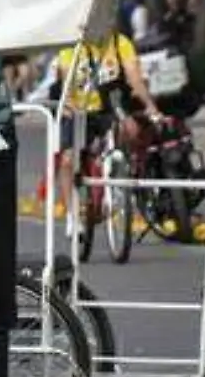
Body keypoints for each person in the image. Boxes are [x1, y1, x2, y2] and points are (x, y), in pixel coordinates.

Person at [44, 22, 162, 239]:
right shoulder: (71, 47)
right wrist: (70, 107)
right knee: (68, 160)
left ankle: (123, 174)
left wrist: (151, 107)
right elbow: (66, 86)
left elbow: (134, 79)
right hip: (79, 110)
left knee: (131, 129)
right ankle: (73, 214)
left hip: (110, 107)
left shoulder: (120, 43)